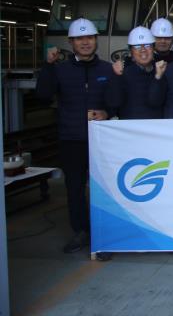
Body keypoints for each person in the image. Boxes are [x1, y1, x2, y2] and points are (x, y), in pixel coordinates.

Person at [35, 18, 114, 258]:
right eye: (80, 39)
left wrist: (107, 113)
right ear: (71, 42)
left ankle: (104, 235)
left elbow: (117, 100)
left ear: (96, 40)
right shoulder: (60, 70)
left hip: (102, 141)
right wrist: (48, 67)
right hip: (72, 139)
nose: (85, 42)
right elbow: (43, 96)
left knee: (104, 190)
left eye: (89, 38)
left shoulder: (107, 69)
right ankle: (80, 231)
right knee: (75, 188)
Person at [106, 27, 163, 120]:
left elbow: (158, 102)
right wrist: (117, 77)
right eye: (137, 46)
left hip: (156, 127)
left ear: (153, 48)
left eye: (147, 45)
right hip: (130, 127)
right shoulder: (123, 73)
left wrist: (158, 77)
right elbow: (113, 104)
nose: (143, 50)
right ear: (131, 51)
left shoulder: (162, 71)